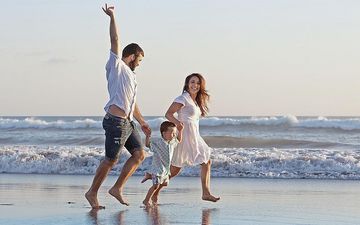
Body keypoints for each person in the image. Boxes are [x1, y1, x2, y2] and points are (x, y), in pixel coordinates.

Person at [85, 4, 151, 209]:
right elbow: (115, 40)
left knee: (139, 154)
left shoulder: (131, 76)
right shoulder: (117, 67)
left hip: (128, 122)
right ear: (131, 56)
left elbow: (132, 102)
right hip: (115, 122)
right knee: (110, 160)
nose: (139, 63)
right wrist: (112, 17)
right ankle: (92, 193)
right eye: (139, 60)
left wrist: (142, 122)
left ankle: (116, 188)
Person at [152, 73, 220, 204]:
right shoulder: (183, 98)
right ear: (187, 84)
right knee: (175, 169)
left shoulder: (195, 101)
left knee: (206, 161)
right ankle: (154, 192)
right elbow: (168, 113)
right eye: (192, 82)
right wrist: (177, 124)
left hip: (194, 136)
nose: (195, 85)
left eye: (198, 83)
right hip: (185, 136)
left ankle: (205, 193)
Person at [142, 121, 183, 207]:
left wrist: (180, 130)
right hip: (158, 167)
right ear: (164, 133)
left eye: (175, 133)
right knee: (156, 185)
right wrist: (148, 136)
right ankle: (146, 200)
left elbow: (179, 140)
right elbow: (147, 145)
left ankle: (149, 175)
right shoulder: (158, 143)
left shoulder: (172, 143)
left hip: (165, 169)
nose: (174, 135)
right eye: (172, 133)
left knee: (165, 183)